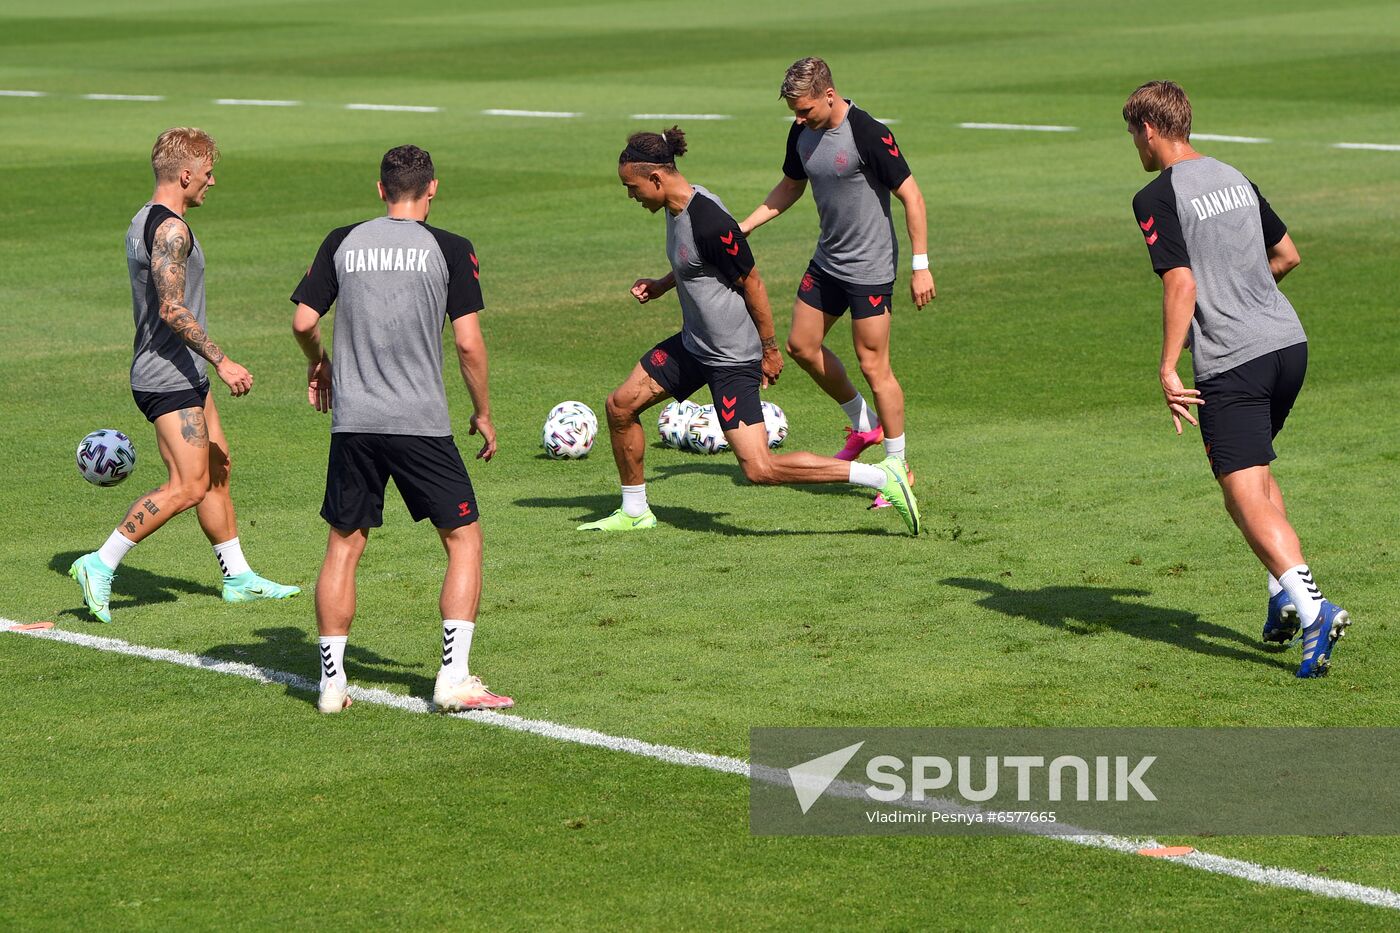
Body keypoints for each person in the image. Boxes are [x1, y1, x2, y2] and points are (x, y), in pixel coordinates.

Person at [577, 127, 919, 535]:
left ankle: (883, 477)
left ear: (656, 178)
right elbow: (697, 264)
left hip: (731, 358)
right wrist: (662, 284)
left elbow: (752, 283)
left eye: (632, 187)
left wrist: (770, 350)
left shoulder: (709, 219)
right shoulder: (676, 207)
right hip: (695, 345)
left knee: (760, 468)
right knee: (620, 406)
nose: (630, 196)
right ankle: (635, 510)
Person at [1123, 80, 1350, 678]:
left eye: (1133, 135)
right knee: (1250, 480)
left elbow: (1182, 283)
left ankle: (1313, 607)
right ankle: (1282, 595)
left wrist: (1169, 365)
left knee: (1243, 490)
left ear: (1148, 130)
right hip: (1287, 345)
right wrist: (1249, 300)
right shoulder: (1234, 175)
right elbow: (1288, 255)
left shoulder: (1156, 194)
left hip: (1234, 361)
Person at [291, 144, 512, 714]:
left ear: (381, 189)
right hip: (420, 425)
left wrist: (319, 362)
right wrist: (482, 412)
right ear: (432, 188)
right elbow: (467, 342)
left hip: (354, 425)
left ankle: (332, 686)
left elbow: (302, 321)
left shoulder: (343, 241)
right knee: (463, 542)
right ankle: (453, 679)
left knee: (344, 546)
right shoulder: (451, 249)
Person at [69, 127, 299, 624]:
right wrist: (222, 359)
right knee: (188, 486)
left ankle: (238, 577)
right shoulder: (170, 230)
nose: (212, 182)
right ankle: (100, 562)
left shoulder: (143, 219)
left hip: (182, 371)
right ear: (186, 173)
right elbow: (172, 308)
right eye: (208, 173)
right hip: (166, 375)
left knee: (218, 469)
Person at [739, 57, 935, 509]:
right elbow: (791, 185)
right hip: (829, 261)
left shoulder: (868, 132)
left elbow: (912, 196)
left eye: (804, 109)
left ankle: (898, 466)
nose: (798, 118)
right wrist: (748, 225)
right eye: (793, 111)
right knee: (801, 346)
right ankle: (863, 422)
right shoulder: (801, 132)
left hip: (870, 269)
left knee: (874, 366)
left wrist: (920, 265)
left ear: (829, 95)